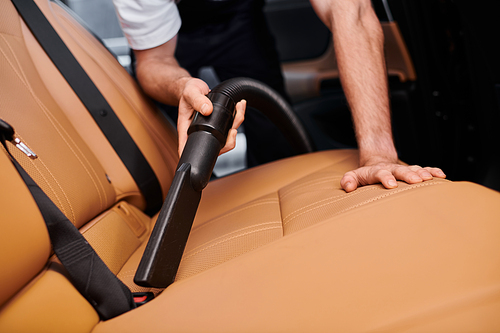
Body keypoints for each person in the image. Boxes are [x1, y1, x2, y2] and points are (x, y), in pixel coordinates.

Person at [112, 0, 446, 191]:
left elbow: (351, 10)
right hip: (172, 40)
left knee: (272, 123)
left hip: (238, 16)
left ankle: (279, 191)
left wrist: (378, 155)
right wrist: (181, 85)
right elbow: (154, 60)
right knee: (182, 147)